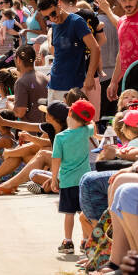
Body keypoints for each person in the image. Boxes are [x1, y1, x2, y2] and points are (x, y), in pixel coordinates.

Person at [37, 0, 100, 104]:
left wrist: (90, 76)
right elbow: (57, 53)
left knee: (72, 121)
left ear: (59, 4)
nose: (52, 18)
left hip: (73, 86)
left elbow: (95, 48)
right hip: (54, 84)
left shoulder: (76, 21)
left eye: (53, 13)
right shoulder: (54, 25)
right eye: (47, 17)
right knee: (52, 120)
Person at [51, 99, 96, 254]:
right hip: (85, 181)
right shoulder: (86, 131)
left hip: (67, 181)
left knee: (68, 213)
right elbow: (93, 127)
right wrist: (88, 121)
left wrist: (53, 178)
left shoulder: (61, 137)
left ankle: (68, 242)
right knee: (83, 213)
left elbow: (56, 159)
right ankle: (85, 241)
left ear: (69, 113)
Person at [12, 45, 48, 122]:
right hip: (45, 129)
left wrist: (9, 104)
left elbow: (20, 112)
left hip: (30, 131)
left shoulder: (21, 82)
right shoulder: (45, 78)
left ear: (18, 59)